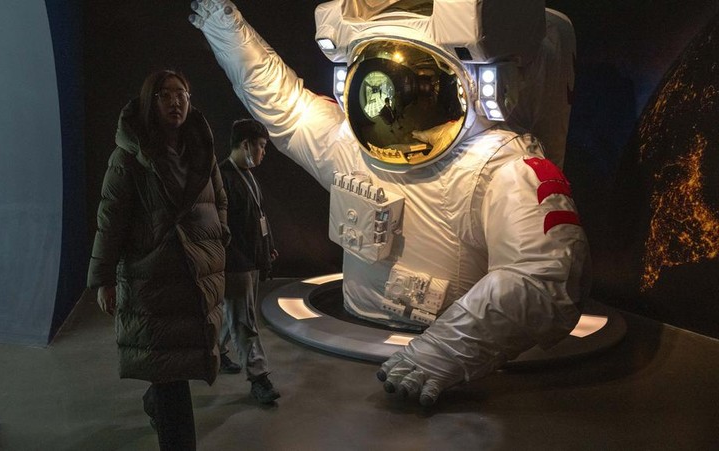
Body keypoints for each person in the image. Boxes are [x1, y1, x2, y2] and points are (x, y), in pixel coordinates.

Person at [190, 0, 586, 407]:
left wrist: (444, 350)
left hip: (428, 364)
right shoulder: (351, 145)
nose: (389, 108)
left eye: (410, 87)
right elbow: (278, 100)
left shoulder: (501, 166)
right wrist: (225, 26)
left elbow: (543, 275)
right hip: (358, 356)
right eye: (374, 85)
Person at [87, 69, 228, 450]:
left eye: (181, 93)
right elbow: (110, 219)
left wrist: (219, 248)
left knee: (172, 367)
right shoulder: (129, 156)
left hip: (195, 277)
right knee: (170, 375)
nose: (175, 101)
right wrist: (103, 280)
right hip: (152, 280)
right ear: (150, 101)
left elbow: (220, 203)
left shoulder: (202, 152)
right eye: (165, 94)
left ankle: (155, 400)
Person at [217, 118, 281, 404]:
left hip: (250, 260)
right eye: (261, 146)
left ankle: (215, 352)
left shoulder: (245, 174)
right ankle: (259, 377)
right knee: (244, 320)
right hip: (236, 264)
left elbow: (258, 218)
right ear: (246, 145)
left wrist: (267, 248)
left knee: (236, 313)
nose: (263, 153)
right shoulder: (222, 178)